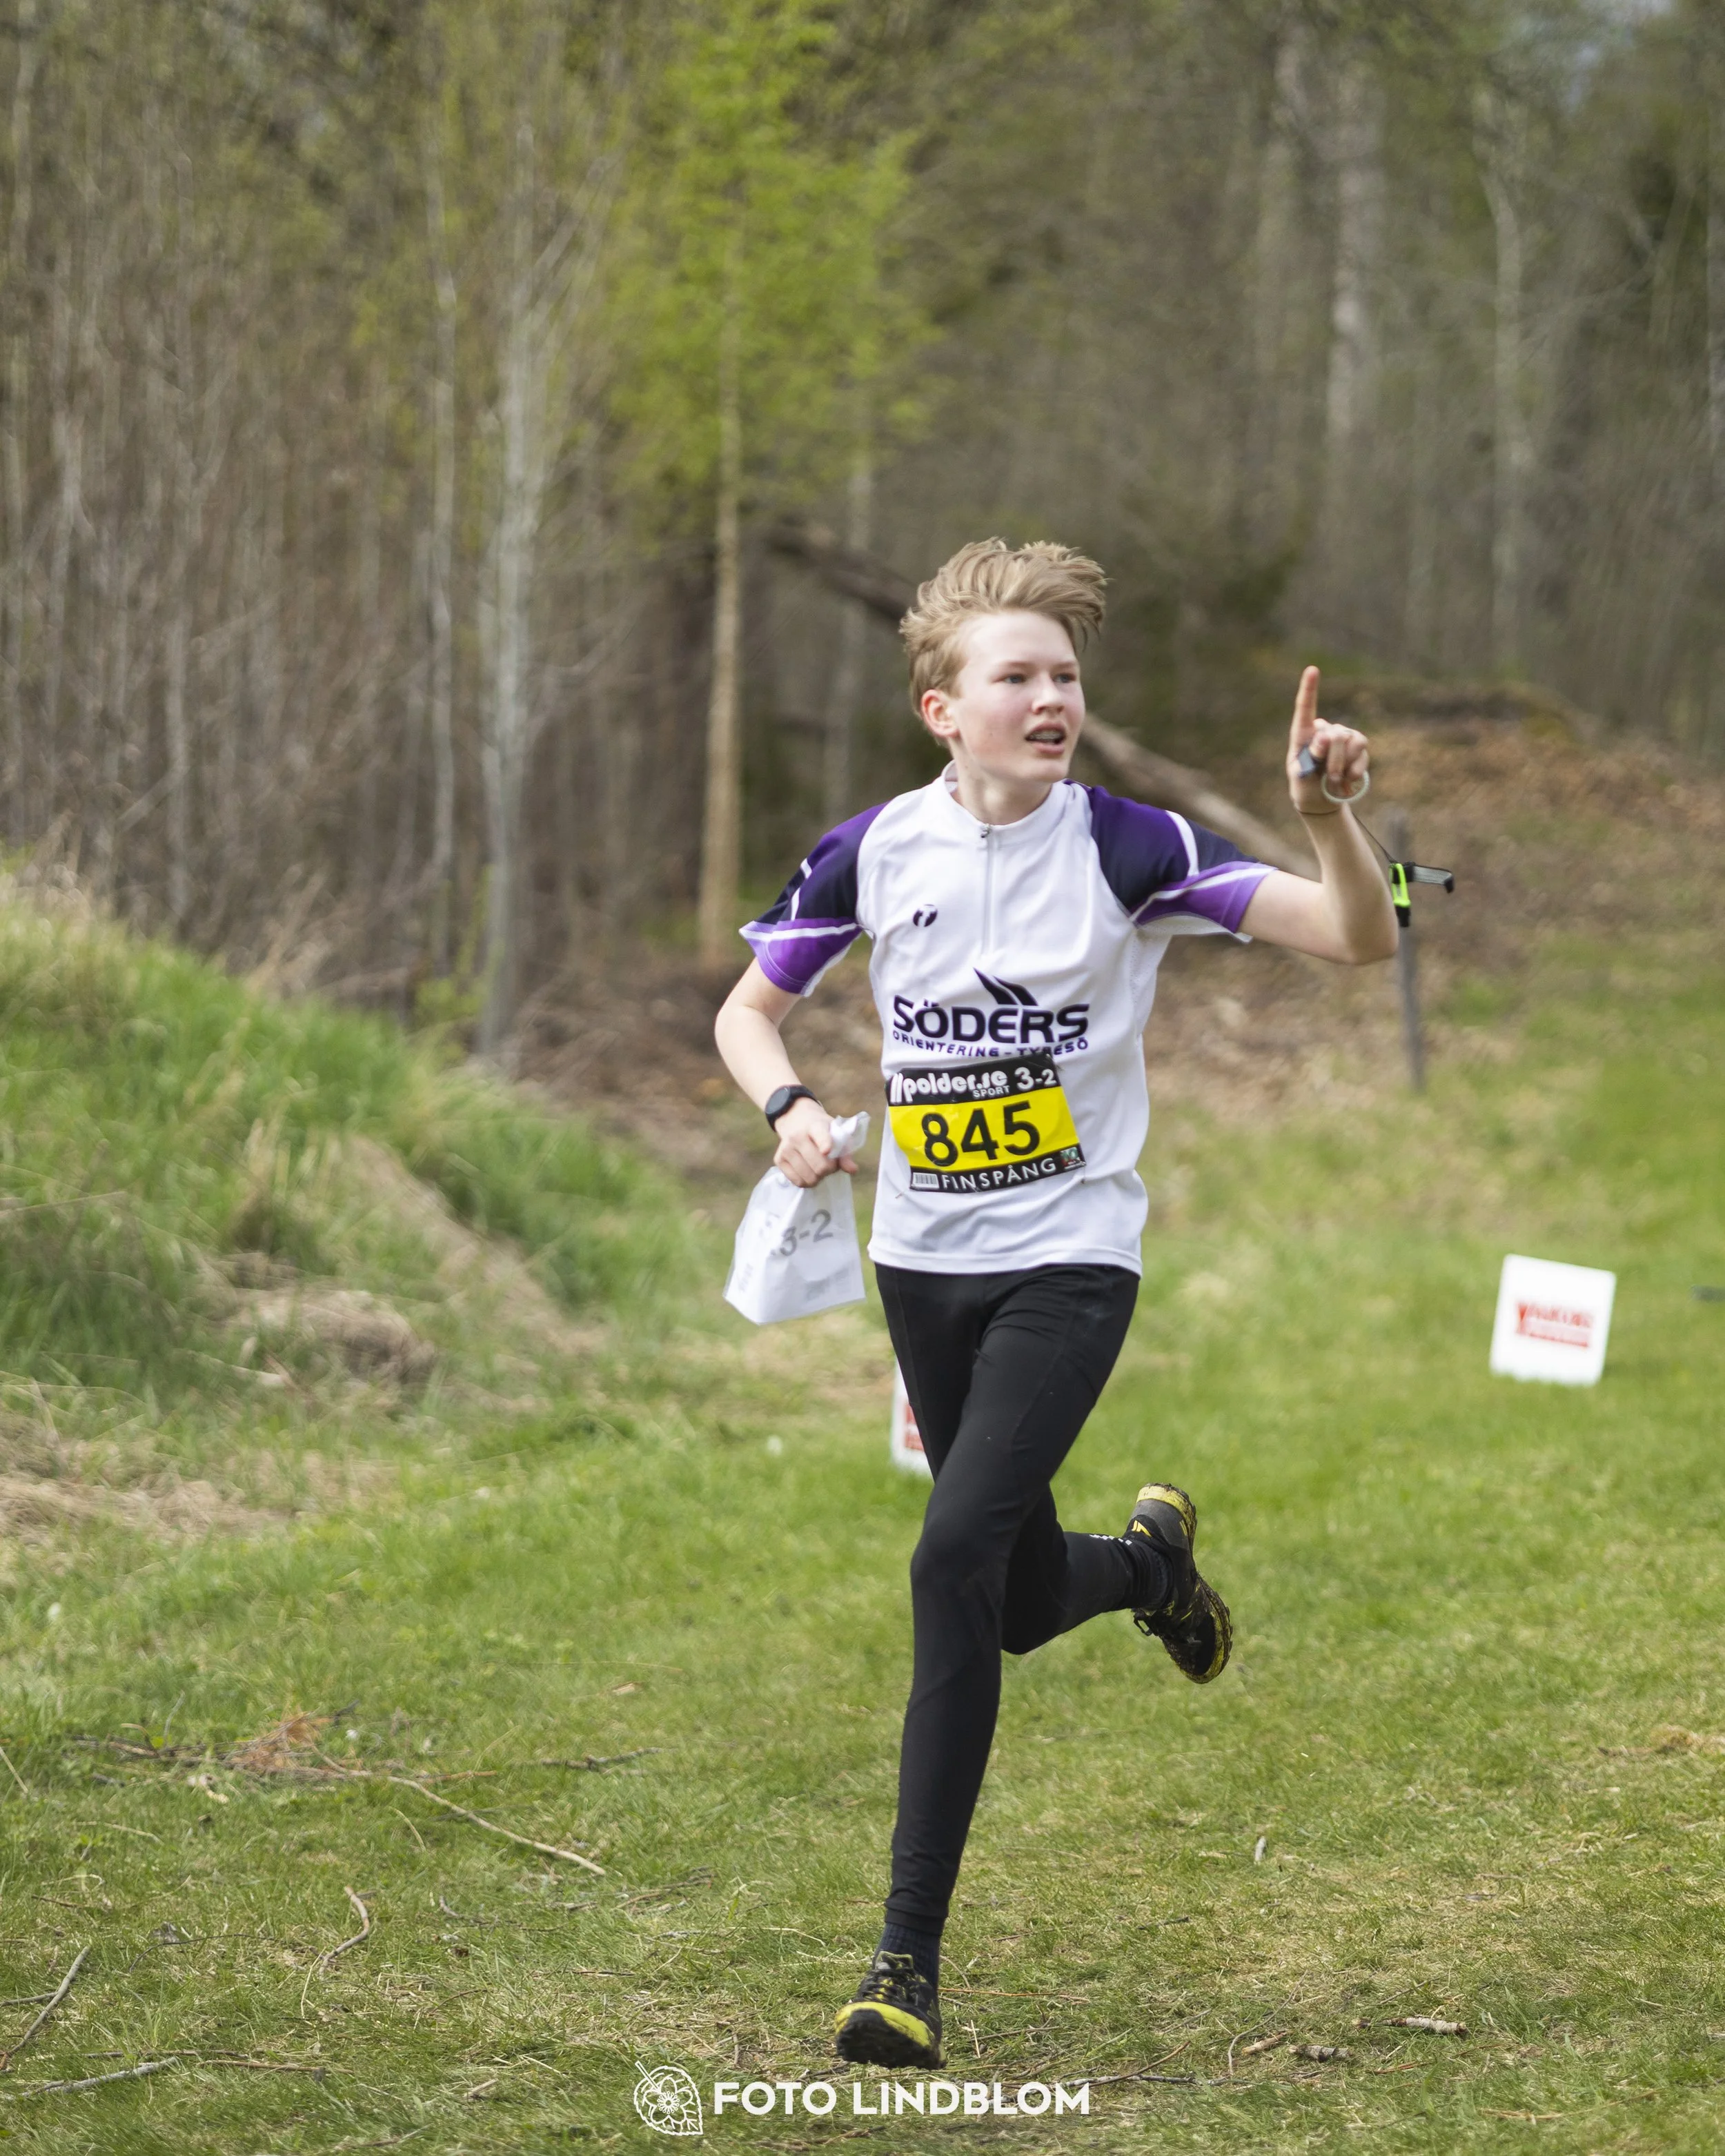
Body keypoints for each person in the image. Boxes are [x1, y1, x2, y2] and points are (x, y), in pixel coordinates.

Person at [713, 539, 1396, 2070]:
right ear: (938, 709)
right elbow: (748, 1007)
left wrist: (1326, 817)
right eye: (1014, 676)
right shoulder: (871, 851)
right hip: (921, 1259)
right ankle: (1151, 1568)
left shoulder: (1130, 845)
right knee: (1016, 1596)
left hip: (1070, 1256)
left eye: (1065, 675)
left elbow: (1359, 937)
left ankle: (903, 1963)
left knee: (950, 1553)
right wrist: (787, 1109)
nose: (1049, 698)